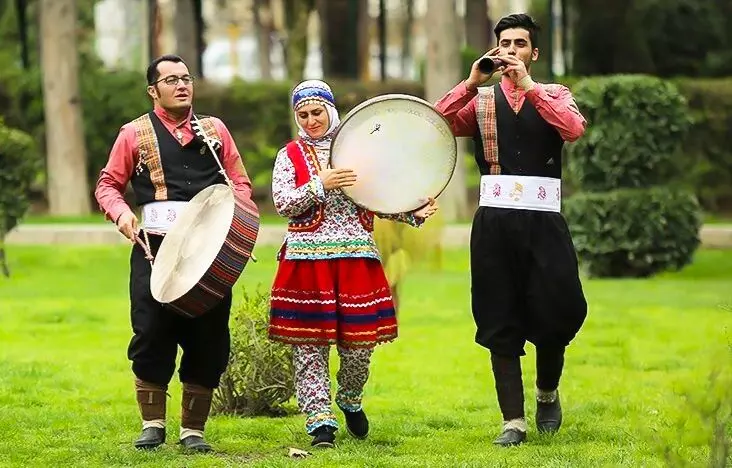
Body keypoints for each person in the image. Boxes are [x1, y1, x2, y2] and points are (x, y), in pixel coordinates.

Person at [433, 14, 588, 446]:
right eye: (505, 44)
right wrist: (470, 82)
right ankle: (513, 421)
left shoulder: (554, 94)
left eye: (521, 44)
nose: (512, 51)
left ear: (533, 53)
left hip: (544, 221)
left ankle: (547, 392)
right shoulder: (480, 102)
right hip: (494, 223)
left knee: (558, 310)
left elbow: (573, 130)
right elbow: (437, 120)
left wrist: (530, 88)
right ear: (495, 49)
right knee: (498, 315)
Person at [94, 54, 257, 452]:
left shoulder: (215, 130)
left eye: (186, 78)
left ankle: (193, 432)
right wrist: (122, 216)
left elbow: (238, 180)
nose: (182, 85)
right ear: (153, 91)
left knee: (209, 337)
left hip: (209, 251)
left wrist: (236, 217)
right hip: (154, 249)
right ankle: (152, 425)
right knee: (151, 332)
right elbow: (107, 185)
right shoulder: (132, 134)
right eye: (171, 80)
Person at [267, 80, 439, 448]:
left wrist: (413, 212)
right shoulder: (290, 155)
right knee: (309, 347)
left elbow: (380, 197)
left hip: (356, 259)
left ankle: (349, 397)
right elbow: (282, 203)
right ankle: (320, 423)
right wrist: (321, 183)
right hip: (306, 263)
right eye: (304, 114)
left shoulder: (359, 151)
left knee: (359, 347)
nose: (312, 120)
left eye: (317, 112)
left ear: (331, 111)